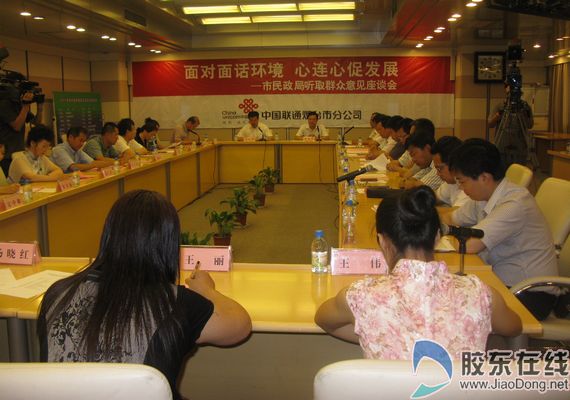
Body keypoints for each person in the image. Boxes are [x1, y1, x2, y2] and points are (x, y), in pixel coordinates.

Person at [38, 190, 252, 400]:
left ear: (110, 235)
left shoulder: (57, 294)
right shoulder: (176, 303)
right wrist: (206, 289)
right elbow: (240, 326)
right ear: (168, 244)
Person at [315, 186, 522, 360]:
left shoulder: (358, 296)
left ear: (382, 241)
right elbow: (514, 327)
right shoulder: (481, 294)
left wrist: (376, 335)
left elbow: (323, 319)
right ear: (438, 237)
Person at [442, 138, 558, 320]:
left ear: (484, 178)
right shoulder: (484, 197)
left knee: (452, 307)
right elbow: (450, 218)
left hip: (529, 292)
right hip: (499, 279)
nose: (461, 188)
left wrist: (449, 233)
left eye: (462, 182)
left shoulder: (515, 203)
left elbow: (469, 245)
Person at [0, 73, 44, 176]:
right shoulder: (4, 104)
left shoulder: (19, 104)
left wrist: (40, 107)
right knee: (9, 184)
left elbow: (36, 122)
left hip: (18, 153)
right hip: (6, 155)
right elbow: (17, 126)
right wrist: (25, 106)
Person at [431, 136, 469, 207]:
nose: (437, 174)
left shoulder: (470, 184)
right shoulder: (452, 181)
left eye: (440, 169)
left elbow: (456, 213)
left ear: (453, 163)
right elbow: (433, 199)